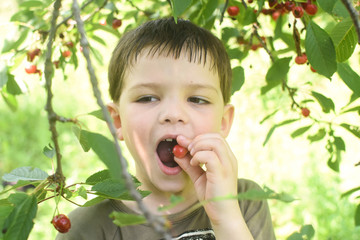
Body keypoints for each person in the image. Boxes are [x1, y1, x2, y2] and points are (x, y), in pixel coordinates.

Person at [56, 17, 276, 240]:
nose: (173, 114)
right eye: (147, 98)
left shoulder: (243, 204)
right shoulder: (87, 229)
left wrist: (226, 217)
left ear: (223, 122)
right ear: (118, 121)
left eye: (197, 99)